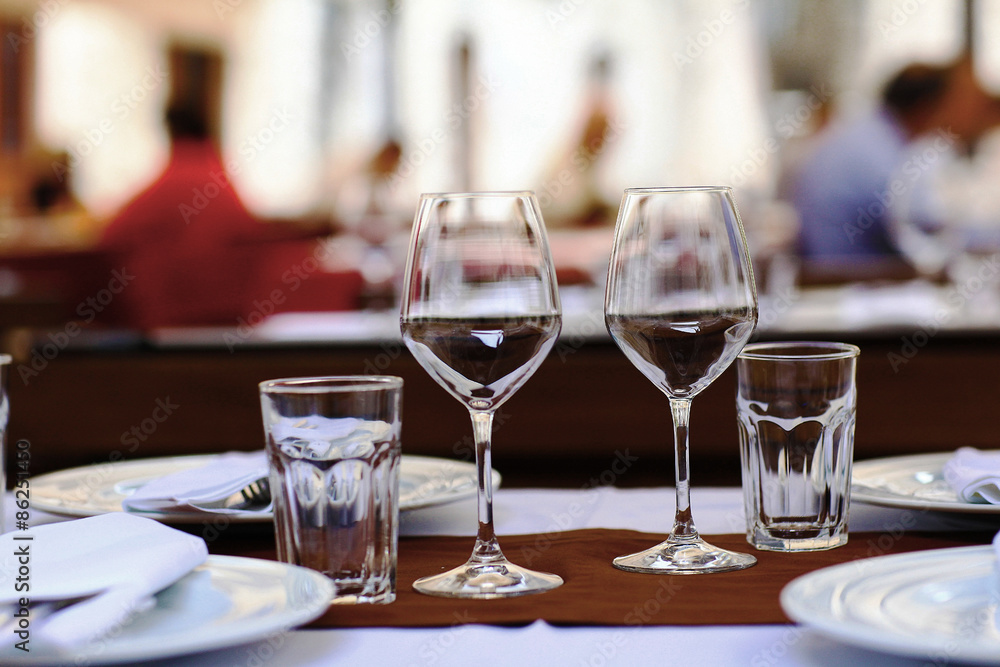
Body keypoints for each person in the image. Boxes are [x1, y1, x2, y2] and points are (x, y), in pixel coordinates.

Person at [790, 57, 1000, 264]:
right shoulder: (877, 154)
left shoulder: (869, 133)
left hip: (848, 276)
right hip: (849, 283)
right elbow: (933, 231)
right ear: (927, 107)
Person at [99, 106, 265, 329]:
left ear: (169, 131)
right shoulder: (223, 184)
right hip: (228, 320)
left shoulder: (172, 181)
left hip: (170, 322)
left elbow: (111, 236)